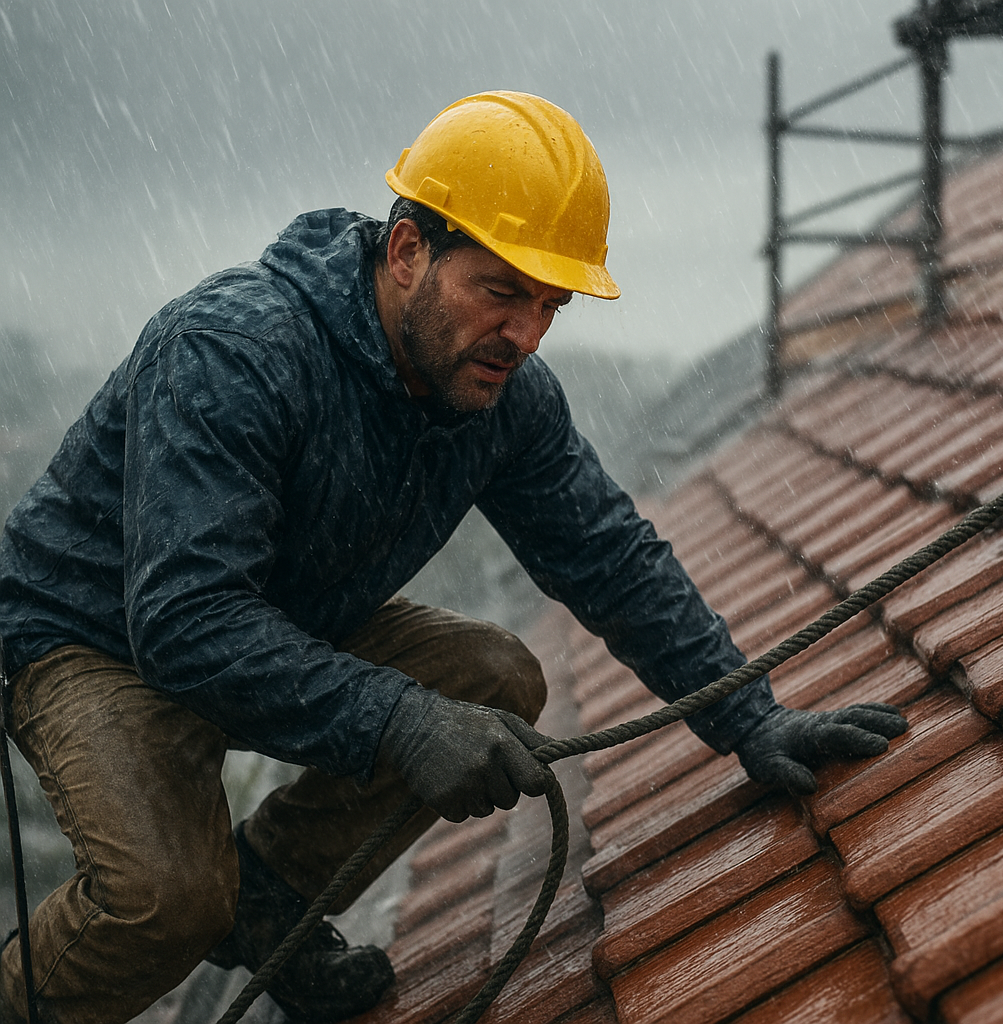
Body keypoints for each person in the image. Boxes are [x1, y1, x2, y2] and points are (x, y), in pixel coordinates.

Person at [0, 91, 906, 1024]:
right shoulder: (234, 352)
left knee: (492, 679)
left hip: (278, 611)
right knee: (172, 901)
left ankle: (272, 897)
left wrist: (747, 712)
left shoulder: (502, 396)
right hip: (96, 638)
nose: (524, 335)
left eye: (549, 305)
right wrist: (398, 722)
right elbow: (185, 624)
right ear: (405, 253)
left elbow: (609, 556)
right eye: (501, 291)